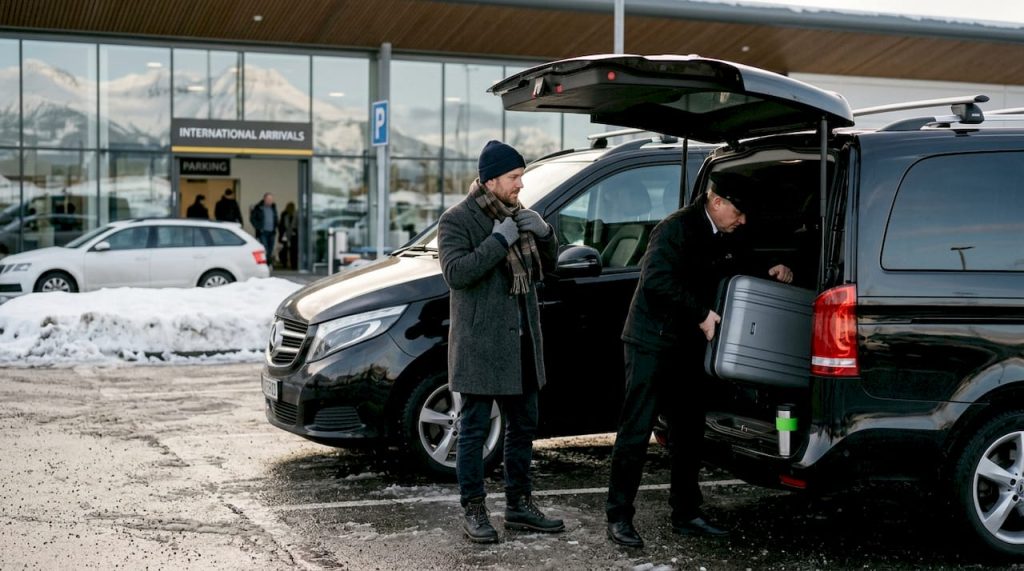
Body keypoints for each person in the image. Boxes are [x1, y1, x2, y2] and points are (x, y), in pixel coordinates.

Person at [605, 171, 794, 548]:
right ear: (716, 202)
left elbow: (734, 264)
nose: (742, 221)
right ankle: (619, 516)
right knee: (636, 430)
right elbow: (657, 281)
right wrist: (702, 314)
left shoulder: (724, 232)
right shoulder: (674, 229)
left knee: (689, 431)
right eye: (738, 213)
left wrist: (771, 267)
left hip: (687, 346)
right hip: (651, 342)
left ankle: (687, 512)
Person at [437, 140, 563, 544]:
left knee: (523, 426)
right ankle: (473, 509)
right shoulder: (456, 220)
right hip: (480, 345)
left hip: (522, 341)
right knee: (473, 431)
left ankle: (518, 505)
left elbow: (548, 267)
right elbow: (456, 273)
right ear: (490, 179)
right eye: (513, 178)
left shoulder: (520, 216)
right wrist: (498, 240)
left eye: (521, 177)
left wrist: (543, 233)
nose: (520, 185)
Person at [250, 193, 278, 263]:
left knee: (270, 249)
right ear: (264, 199)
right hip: (263, 232)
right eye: (268, 199)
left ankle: (268, 263)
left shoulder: (273, 208)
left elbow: (276, 218)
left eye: (271, 199)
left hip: (272, 232)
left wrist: (276, 226)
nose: (270, 201)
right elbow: (252, 219)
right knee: (265, 249)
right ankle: (265, 263)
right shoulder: (258, 207)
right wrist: (258, 227)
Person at [278, 202, 298, 270]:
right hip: (289, 234)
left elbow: (281, 225)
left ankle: (287, 263)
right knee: (290, 250)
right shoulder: (291, 215)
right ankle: (291, 264)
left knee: (290, 250)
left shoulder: (289, 214)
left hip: (289, 234)